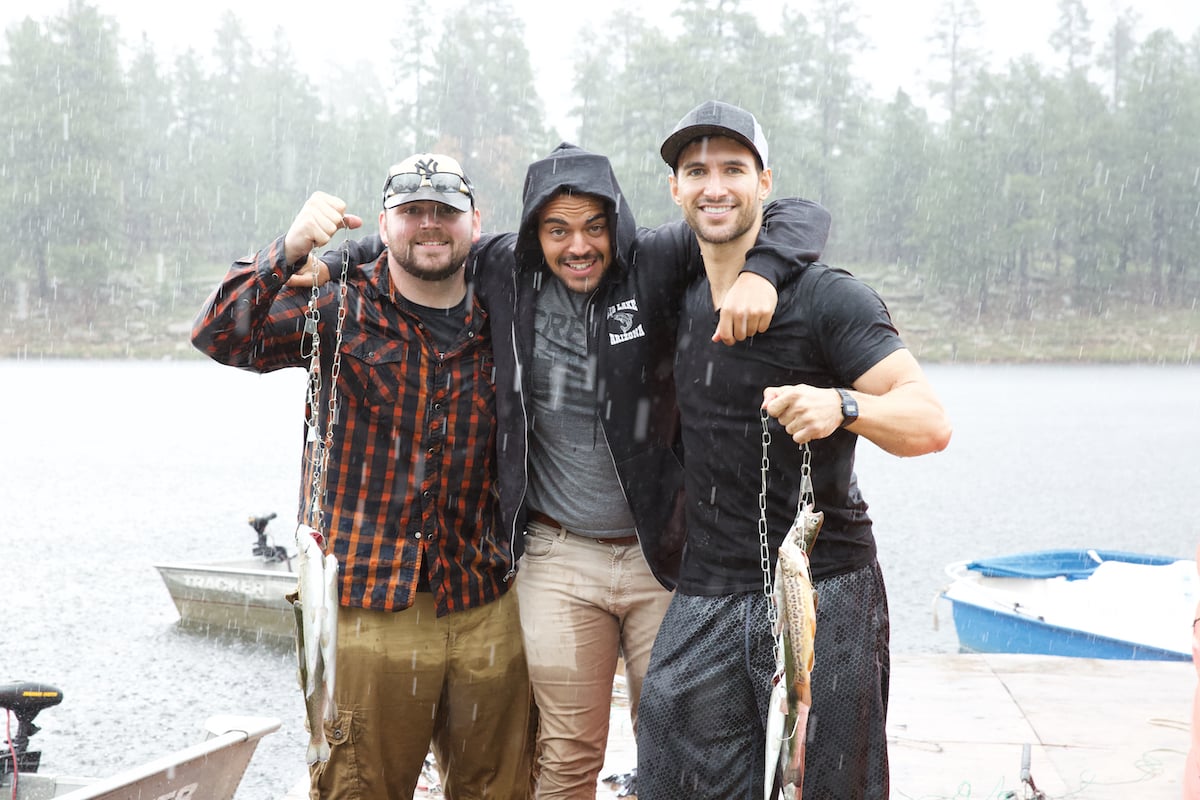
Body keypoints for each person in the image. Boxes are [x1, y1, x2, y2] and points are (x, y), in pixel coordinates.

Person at [312, 143, 831, 798]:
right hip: (557, 558)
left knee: (676, 740)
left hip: (661, 556)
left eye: (594, 227)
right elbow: (412, 243)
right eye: (557, 230)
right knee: (564, 755)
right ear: (533, 234)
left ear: (618, 224)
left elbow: (800, 215)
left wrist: (762, 272)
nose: (578, 246)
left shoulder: (655, 263)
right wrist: (328, 260)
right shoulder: (504, 269)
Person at [191, 153, 535, 800]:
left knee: (503, 788)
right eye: (412, 213)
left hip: (486, 598)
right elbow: (218, 334)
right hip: (364, 605)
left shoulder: (507, 319)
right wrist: (290, 248)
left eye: (445, 213)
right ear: (384, 223)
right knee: (357, 787)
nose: (429, 227)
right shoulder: (334, 309)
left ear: (474, 225)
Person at [636, 101, 953, 800]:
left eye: (733, 170)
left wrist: (844, 405)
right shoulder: (676, 296)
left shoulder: (828, 299)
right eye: (696, 171)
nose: (714, 186)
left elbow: (929, 421)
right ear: (675, 189)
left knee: (830, 786)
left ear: (765, 182)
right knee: (671, 773)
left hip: (826, 589)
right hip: (709, 589)